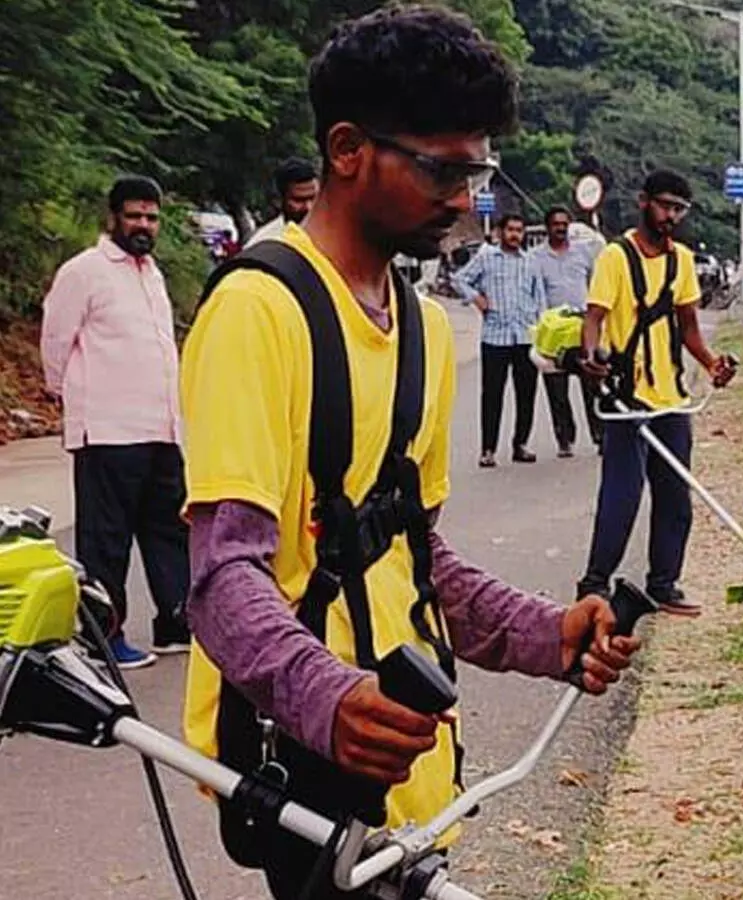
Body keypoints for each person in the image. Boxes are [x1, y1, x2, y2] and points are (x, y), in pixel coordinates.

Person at [177, 8, 639, 898]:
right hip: (307, 765)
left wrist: (547, 634)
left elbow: (412, 556)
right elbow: (222, 575)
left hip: (414, 762)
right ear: (347, 150)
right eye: (442, 168)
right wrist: (328, 699)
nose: (466, 198)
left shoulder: (424, 328)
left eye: (478, 170)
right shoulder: (258, 312)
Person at [39, 174, 191, 669]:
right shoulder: (84, 271)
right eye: (134, 216)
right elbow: (56, 342)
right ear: (113, 218)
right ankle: (106, 639)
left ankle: (174, 622)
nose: (144, 225)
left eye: (151, 217)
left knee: (169, 529)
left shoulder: (153, 273)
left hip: (160, 428)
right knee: (107, 541)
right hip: (107, 430)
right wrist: (80, 398)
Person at [576, 170, 737, 617]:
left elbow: (688, 328)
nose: (671, 216)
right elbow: (594, 316)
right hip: (626, 400)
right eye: (666, 206)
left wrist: (711, 364)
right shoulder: (615, 256)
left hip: (670, 396)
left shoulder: (681, 260)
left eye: (680, 210)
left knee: (675, 498)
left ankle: (664, 583)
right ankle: (593, 585)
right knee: (621, 498)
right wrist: (591, 355)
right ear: (644, 202)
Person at [456, 213, 545, 466]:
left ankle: (521, 444)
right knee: (492, 395)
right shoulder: (486, 258)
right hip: (495, 337)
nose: (515, 235)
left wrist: (541, 332)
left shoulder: (530, 262)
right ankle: (488, 449)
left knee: (526, 394)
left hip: (525, 336)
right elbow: (460, 279)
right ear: (500, 232)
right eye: (511, 230)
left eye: (519, 230)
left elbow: (539, 299)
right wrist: (477, 298)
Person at [529, 206, 603, 456]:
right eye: (555, 224)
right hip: (553, 330)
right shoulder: (535, 257)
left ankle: (600, 436)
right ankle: (565, 439)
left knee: (592, 384)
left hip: (583, 328)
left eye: (564, 224)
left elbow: (596, 284)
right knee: (556, 389)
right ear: (547, 227)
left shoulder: (584, 253)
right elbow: (535, 292)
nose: (560, 228)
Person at [246, 156, 320, 246]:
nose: (308, 207)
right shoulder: (263, 244)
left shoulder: (335, 235)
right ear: (279, 200)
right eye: (299, 200)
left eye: (313, 198)